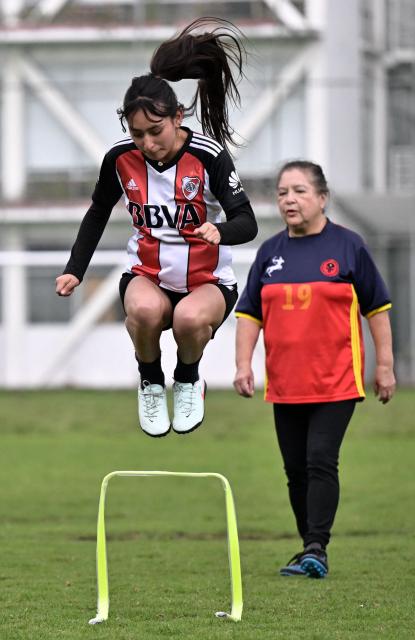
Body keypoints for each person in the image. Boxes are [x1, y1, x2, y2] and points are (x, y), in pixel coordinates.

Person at [56, 18, 257, 438]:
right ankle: (150, 380)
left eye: (156, 131)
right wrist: (75, 267)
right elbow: (97, 211)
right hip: (147, 275)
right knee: (145, 311)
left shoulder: (209, 155)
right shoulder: (119, 158)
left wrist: (219, 230)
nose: (147, 142)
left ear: (178, 117)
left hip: (207, 281)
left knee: (187, 319)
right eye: (137, 133)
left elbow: (247, 221)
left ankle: (187, 379)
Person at [233, 160, 396, 578]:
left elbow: (377, 309)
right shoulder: (270, 253)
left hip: (336, 380)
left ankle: (316, 547)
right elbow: (249, 314)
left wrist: (386, 367)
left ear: (322, 198)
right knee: (294, 470)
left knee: (321, 458)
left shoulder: (348, 246)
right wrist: (242, 365)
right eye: (283, 192)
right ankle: (310, 548)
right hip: (285, 384)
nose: (290, 199)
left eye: (300, 191)